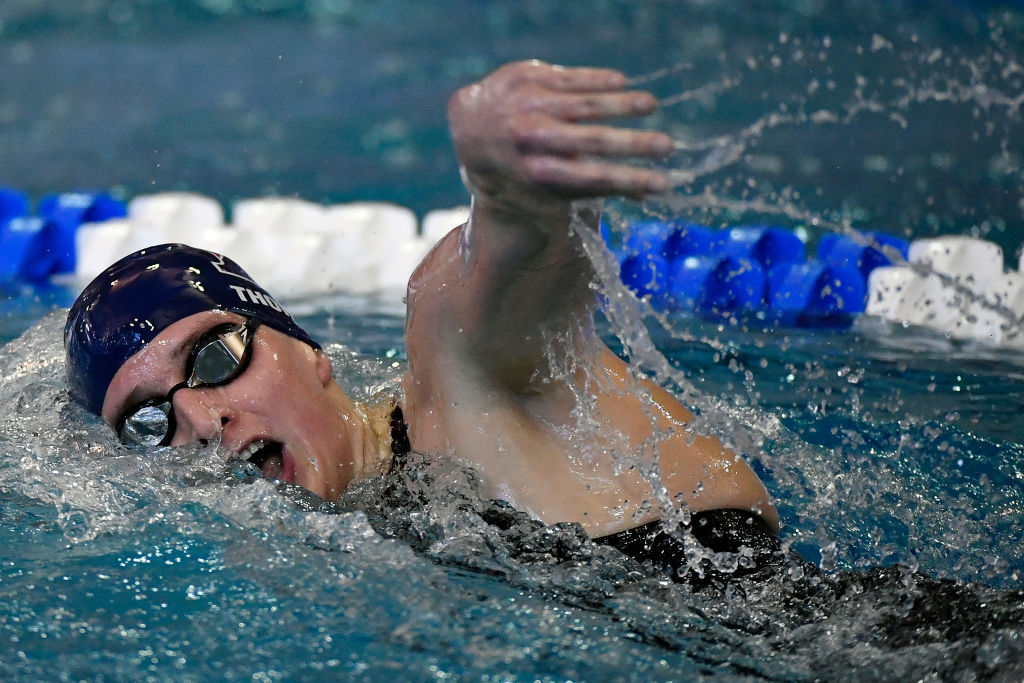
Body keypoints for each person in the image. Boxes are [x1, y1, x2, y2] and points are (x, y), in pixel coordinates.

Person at [65, 61, 780, 580]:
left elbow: (518, 265)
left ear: (309, 350)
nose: (198, 418)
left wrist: (507, 180)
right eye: (149, 422)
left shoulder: (462, 378)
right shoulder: (349, 539)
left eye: (215, 356)